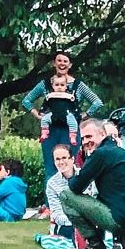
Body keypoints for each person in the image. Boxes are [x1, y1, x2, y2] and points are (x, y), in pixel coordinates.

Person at [63, 117, 125, 249]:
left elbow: (76, 187)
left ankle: (95, 245)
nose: (86, 141)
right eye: (83, 138)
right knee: (109, 199)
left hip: (121, 221)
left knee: (66, 195)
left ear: (103, 134)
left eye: (89, 136)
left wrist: (70, 175)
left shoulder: (100, 154)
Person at [20, 51, 104, 179]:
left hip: (70, 131)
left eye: (65, 61)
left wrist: (84, 115)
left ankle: (71, 197)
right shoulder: (46, 84)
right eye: (59, 61)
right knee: (51, 167)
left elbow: (97, 102)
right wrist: (37, 114)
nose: (62, 64)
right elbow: (26, 101)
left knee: (71, 166)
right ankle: (51, 198)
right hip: (50, 131)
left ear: (70, 65)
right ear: (54, 63)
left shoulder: (78, 86)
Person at [45, 146, 76, 234]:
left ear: (72, 159)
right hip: (66, 225)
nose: (61, 162)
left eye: (64, 158)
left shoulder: (85, 176)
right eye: (57, 159)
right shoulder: (52, 184)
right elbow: (57, 214)